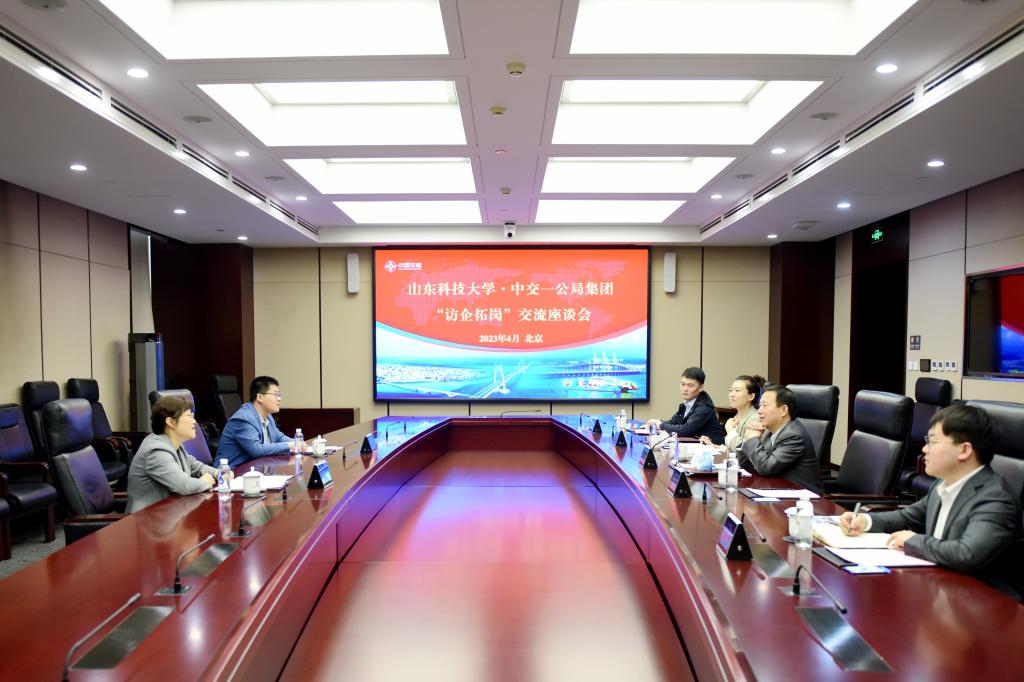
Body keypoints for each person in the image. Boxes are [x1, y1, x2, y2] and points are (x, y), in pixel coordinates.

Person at [840, 404, 1023, 601]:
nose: (924, 449)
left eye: (933, 441)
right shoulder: (943, 484)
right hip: (941, 587)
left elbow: (966, 554)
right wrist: (865, 521)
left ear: (964, 450)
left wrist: (913, 541)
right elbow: (907, 517)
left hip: (983, 603)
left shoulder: (995, 498)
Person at [126, 396, 224, 512]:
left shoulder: (173, 444)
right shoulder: (156, 450)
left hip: (170, 512)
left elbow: (196, 466)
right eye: (189, 416)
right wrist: (205, 482)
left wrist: (220, 473)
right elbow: (183, 485)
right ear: (170, 422)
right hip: (148, 518)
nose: (194, 421)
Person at [737, 384, 824, 494]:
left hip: (803, 498)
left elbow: (766, 468)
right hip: (776, 489)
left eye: (765, 405)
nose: (759, 411)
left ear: (783, 410)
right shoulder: (768, 430)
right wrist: (747, 438)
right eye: (759, 406)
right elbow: (744, 463)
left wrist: (753, 439)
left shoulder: (793, 436)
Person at [217, 376, 296, 467]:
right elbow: (256, 450)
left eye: (279, 395)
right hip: (231, 471)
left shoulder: (268, 416)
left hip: (256, 468)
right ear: (260, 397)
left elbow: (278, 436)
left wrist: (297, 443)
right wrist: (289, 445)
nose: (279, 399)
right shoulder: (244, 418)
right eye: (275, 395)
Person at [648, 367, 725, 444]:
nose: (685, 389)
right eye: (682, 384)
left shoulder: (704, 407)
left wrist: (661, 425)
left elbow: (685, 430)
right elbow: (674, 422)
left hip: (712, 449)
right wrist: (656, 422)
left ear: (700, 387)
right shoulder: (688, 403)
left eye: (690, 385)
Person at [700, 374, 765, 453]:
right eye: (731, 390)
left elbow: (744, 453)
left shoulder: (755, 419)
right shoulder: (736, 417)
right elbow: (731, 451)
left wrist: (731, 431)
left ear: (751, 396)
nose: (732, 395)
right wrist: (713, 446)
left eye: (737, 390)